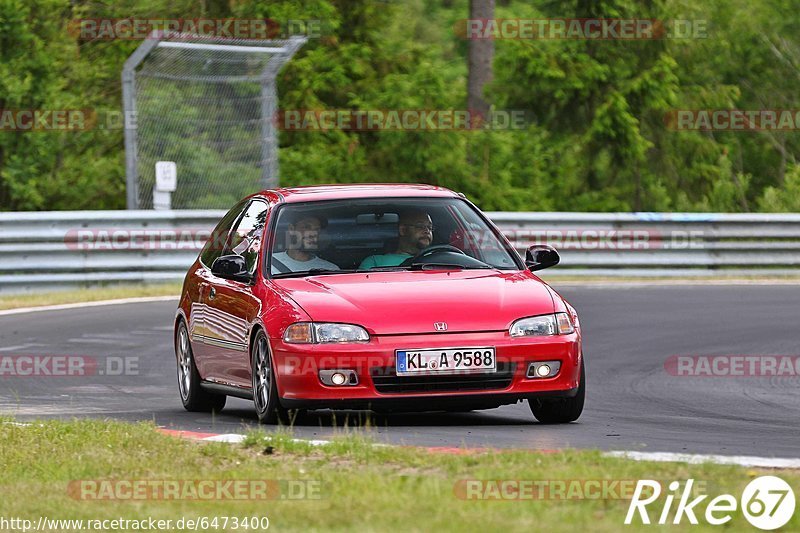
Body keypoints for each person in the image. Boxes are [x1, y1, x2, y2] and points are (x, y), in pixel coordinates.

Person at [359, 209, 433, 269]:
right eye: (420, 226)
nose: (427, 231)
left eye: (430, 227)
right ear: (403, 230)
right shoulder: (374, 262)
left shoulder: (438, 260)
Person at [271, 214, 339, 274]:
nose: (312, 233)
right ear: (291, 229)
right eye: (306, 227)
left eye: (317, 229)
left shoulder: (330, 269)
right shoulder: (269, 264)